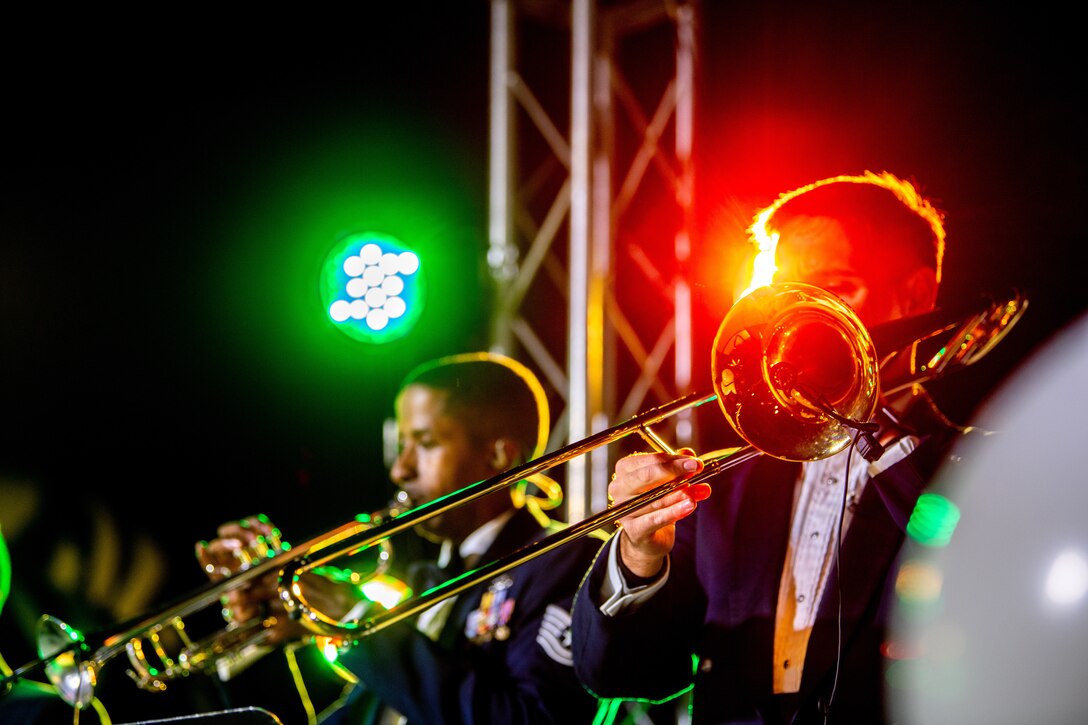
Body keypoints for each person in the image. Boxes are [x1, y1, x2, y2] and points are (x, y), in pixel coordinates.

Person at [570, 171, 979, 723]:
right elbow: (622, 675)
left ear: (915, 296)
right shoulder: (730, 485)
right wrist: (640, 554)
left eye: (837, 287)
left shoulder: (975, 470)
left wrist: (871, 422)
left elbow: (995, 596)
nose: (805, 322)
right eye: (792, 296)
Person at [196, 352, 607, 724]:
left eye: (425, 443)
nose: (400, 470)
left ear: (499, 457)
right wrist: (262, 636)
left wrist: (355, 616)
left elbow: (529, 721)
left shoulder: (566, 559)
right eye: (401, 445)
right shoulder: (427, 582)